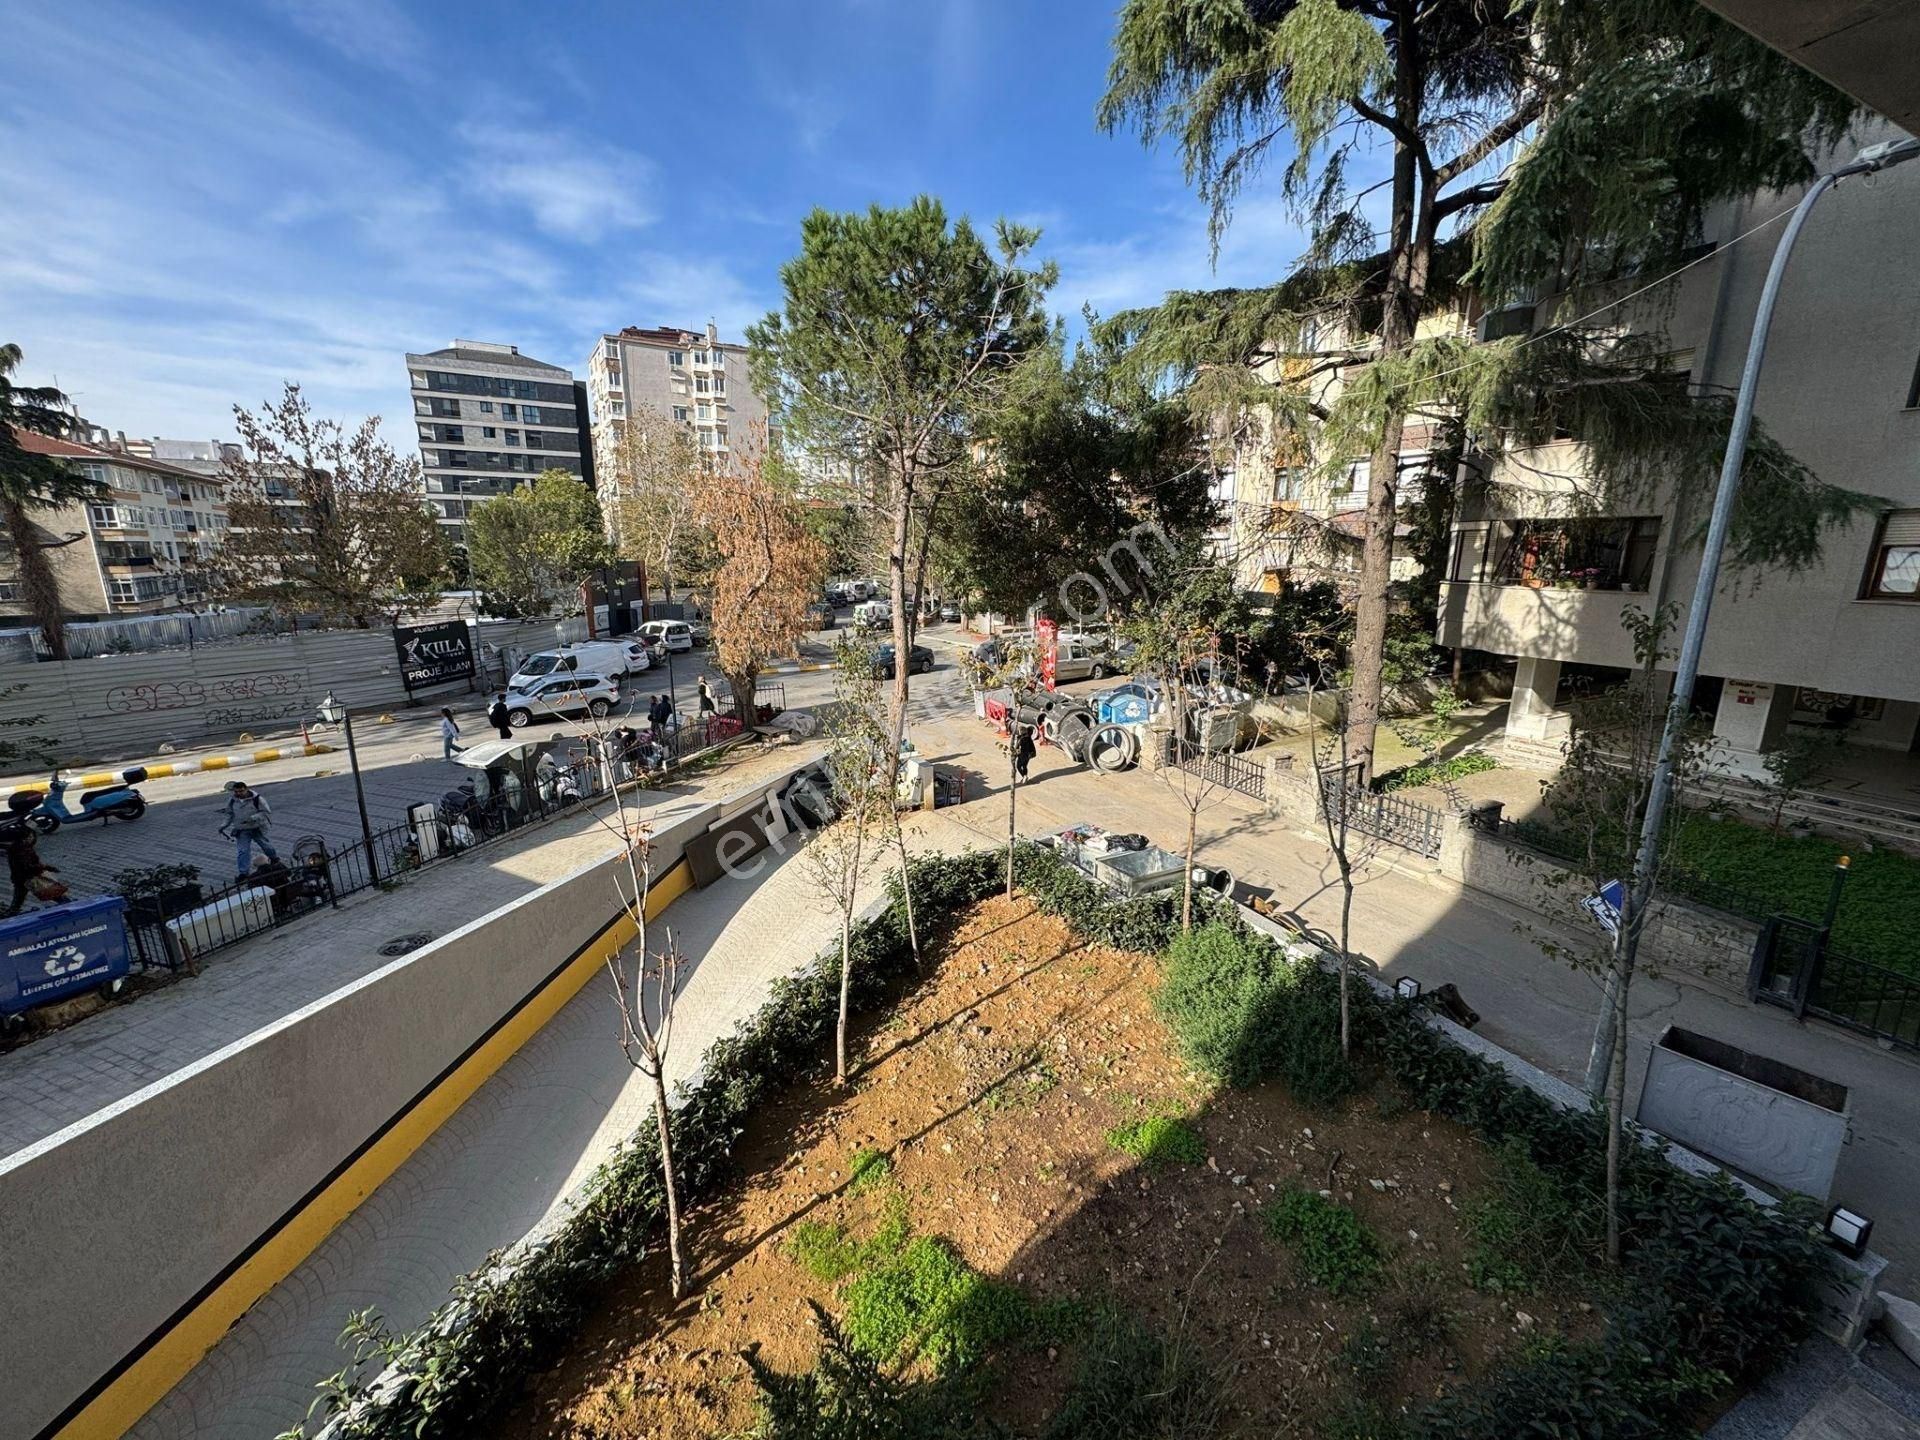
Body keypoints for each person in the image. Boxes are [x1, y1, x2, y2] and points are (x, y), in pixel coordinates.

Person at [220, 780, 279, 879]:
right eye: (236, 792)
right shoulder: (232, 800)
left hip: (257, 828)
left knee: (266, 845)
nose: (239, 793)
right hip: (242, 829)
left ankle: (274, 859)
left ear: (246, 789)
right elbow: (229, 814)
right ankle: (244, 873)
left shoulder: (257, 799)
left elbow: (266, 812)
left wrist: (252, 818)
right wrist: (223, 826)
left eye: (241, 791)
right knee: (243, 851)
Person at [3, 822, 55, 917]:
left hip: (21, 878)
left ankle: (11, 913)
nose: (33, 837)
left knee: (18, 898)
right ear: (25, 838)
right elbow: (28, 866)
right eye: (31, 835)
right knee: (52, 892)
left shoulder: (20, 847)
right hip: (29, 878)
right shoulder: (22, 850)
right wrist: (45, 867)